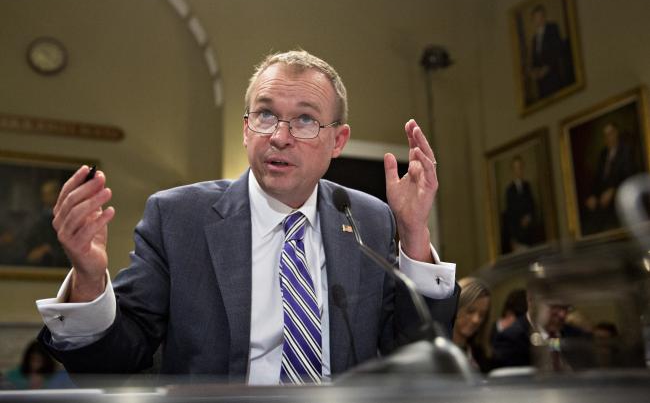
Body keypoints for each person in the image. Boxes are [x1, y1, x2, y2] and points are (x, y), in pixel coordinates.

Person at [36, 50, 459, 385]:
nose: (279, 137)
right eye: (266, 114)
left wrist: (414, 232)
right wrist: (89, 278)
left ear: (337, 140)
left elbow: (417, 353)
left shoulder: (368, 219)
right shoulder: (179, 217)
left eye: (306, 120)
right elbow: (116, 362)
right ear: (246, 128)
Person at [583, 122, 637, 235]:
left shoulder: (626, 151)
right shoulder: (603, 154)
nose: (608, 138)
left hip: (619, 196)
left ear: (616, 134)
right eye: (605, 135)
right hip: (601, 199)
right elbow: (598, 179)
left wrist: (613, 190)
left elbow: (628, 177)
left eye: (610, 134)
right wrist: (592, 195)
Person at [528, 4, 571, 101]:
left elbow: (558, 49)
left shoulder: (552, 28)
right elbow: (534, 59)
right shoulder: (534, 39)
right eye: (535, 18)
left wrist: (547, 67)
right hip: (541, 82)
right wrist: (533, 71)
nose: (538, 20)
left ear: (544, 17)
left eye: (540, 17)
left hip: (553, 76)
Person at [24, 179, 68, 267]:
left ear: (57, 194)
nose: (44, 197)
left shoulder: (66, 216)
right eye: (43, 194)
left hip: (59, 263)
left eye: (48, 194)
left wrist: (48, 248)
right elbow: (30, 239)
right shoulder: (37, 217)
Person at [452, 277, 491, 373]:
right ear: (456, 307)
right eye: (470, 311)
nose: (476, 320)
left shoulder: (480, 353)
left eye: (482, 315)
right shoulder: (439, 352)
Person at [502, 157, 536, 253]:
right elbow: (509, 216)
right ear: (513, 171)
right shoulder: (509, 190)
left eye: (520, 167)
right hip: (518, 236)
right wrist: (513, 239)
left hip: (530, 235)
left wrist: (529, 217)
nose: (518, 171)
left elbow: (532, 207)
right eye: (516, 168)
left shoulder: (527, 186)